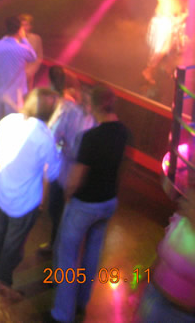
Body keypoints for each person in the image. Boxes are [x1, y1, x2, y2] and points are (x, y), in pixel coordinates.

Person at [50, 85, 130, 322]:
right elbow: (124, 166)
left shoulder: (91, 137)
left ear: (94, 106)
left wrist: (68, 195)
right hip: (108, 201)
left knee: (67, 257)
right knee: (93, 253)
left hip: (85, 204)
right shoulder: (124, 132)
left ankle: (62, 313)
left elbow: (76, 177)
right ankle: (82, 302)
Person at [0, 88, 61, 286]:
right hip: (24, 203)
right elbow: (53, 173)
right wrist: (58, 151)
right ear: (49, 113)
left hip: (3, 194)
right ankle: (1, 287)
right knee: (12, 247)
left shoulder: (8, 122)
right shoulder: (45, 138)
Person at [38, 67, 96, 254]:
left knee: (57, 209)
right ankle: (66, 248)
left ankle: (56, 248)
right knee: (73, 214)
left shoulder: (66, 109)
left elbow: (53, 136)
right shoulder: (91, 115)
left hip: (66, 170)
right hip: (85, 172)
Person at [136, 185, 195, 322]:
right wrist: (147, 279)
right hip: (154, 297)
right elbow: (163, 254)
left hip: (182, 314)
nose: (184, 198)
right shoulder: (181, 221)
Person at [0, 16, 37, 163]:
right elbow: (33, 56)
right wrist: (24, 38)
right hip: (14, 95)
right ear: (20, 29)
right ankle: (9, 158)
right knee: (12, 126)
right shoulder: (22, 49)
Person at [19, 14, 43, 90]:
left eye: (26, 25)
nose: (24, 27)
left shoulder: (36, 38)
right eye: (22, 25)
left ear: (30, 26)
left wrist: (30, 72)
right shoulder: (13, 38)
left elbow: (39, 57)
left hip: (29, 75)